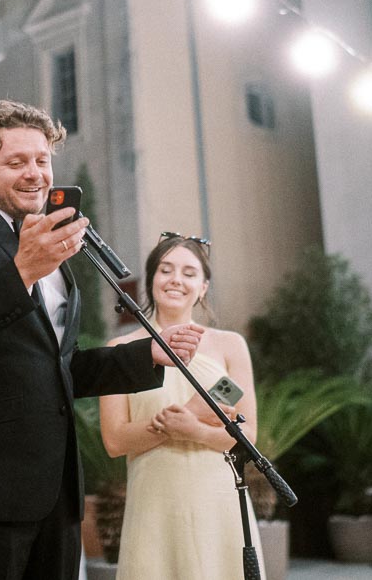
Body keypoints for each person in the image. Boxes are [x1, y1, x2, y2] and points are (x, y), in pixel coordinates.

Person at [0, 100, 205, 580]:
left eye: (42, 160)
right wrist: (21, 271)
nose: (35, 174)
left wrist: (145, 353)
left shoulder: (55, 254)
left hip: (57, 492)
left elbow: (56, 369)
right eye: (15, 162)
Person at [99, 232, 261, 580]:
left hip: (219, 502)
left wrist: (194, 429)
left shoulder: (228, 347)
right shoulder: (121, 349)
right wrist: (180, 420)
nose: (176, 280)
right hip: (154, 503)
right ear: (151, 280)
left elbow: (245, 436)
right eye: (165, 270)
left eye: (189, 273)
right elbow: (114, 441)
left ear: (203, 287)